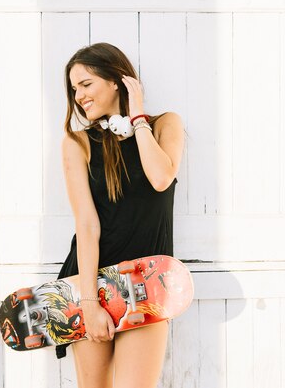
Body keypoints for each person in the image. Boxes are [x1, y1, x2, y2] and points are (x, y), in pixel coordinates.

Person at [56, 42, 184, 388]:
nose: (79, 95)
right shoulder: (77, 142)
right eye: (74, 89)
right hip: (90, 282)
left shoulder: (164, 125)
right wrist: (88, 303)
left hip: (148, 283)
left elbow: (160, 178)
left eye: (86, 84)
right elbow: (86, 224)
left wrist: (138, 117)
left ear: (117, 80)